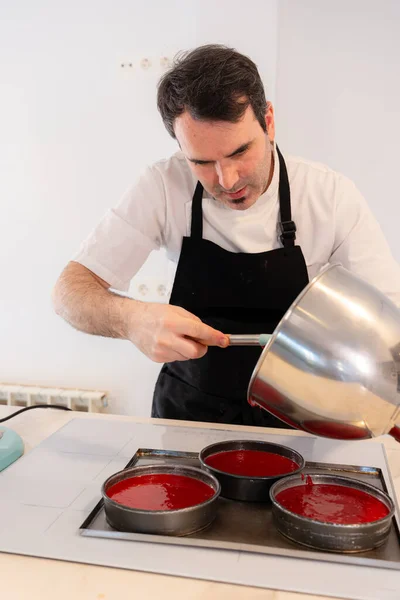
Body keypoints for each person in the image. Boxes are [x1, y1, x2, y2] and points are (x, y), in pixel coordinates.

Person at [52, 44, 400, 428]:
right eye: (201, 162)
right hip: (189, 417)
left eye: (239, 152)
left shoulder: (329, 196)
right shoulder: (163, 186)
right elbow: (69, 293)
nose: (227, 180)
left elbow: (391, 326)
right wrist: (132, 319)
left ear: (268, 121)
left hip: (301, 420)